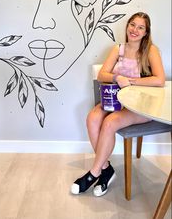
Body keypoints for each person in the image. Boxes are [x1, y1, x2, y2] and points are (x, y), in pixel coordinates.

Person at [71, 12, 165, 197]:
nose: (135, 30)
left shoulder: (150, 50)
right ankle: (106, 170)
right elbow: (102, 75)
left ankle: (94, 173)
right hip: (115, 100)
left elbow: (159, 80)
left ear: (146, 32)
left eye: (140, 27)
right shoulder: (118, 49)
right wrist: (117, 77)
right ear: (127, 26)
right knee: (92, 118)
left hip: (140, 104)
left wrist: (130, 81)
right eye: (132, 25)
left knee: (110, 123)